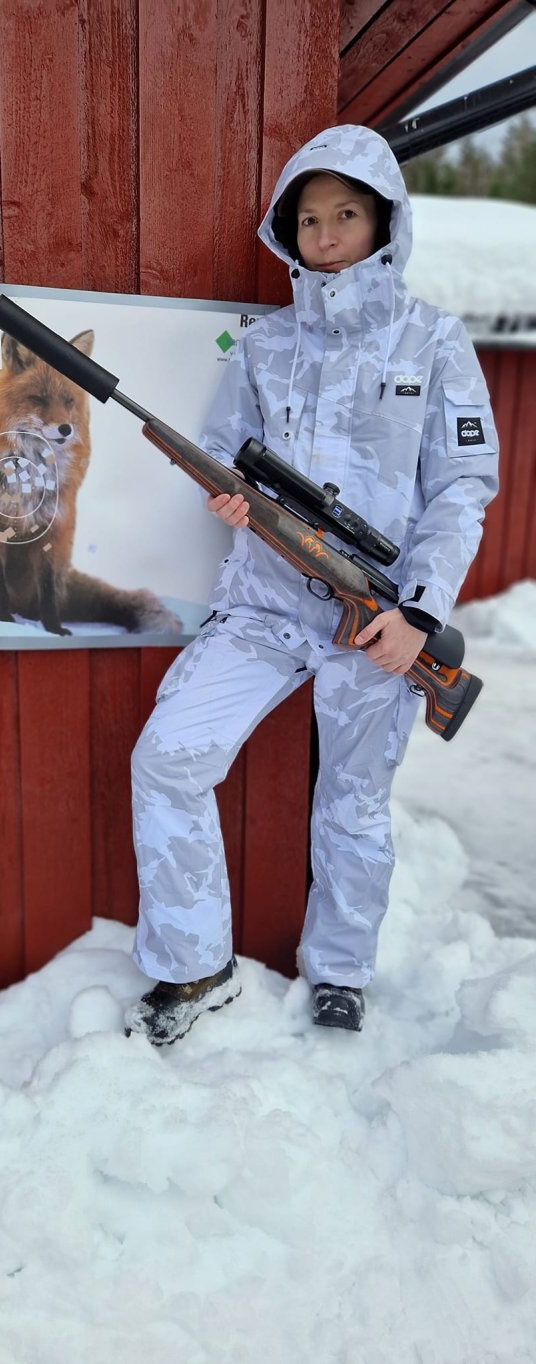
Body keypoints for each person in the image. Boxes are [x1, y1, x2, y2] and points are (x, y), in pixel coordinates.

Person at [124, 123, 499, 1044]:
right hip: (265, 601)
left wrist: (419, 613)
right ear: (287, 231)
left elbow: (461, 488)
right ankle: (194, 967)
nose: (326, 234)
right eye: (310, 217)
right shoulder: (262, 344)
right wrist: (231, 496)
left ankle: (339, 971)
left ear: (383, 223)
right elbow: (222, 448)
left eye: (347, 214)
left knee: (353, 804)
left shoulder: (435, 340)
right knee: (167, 758)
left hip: (380, 619)